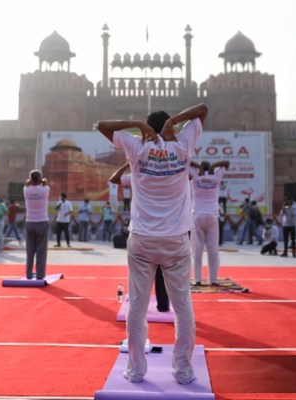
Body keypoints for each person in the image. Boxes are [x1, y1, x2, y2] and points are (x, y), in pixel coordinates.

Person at [96, 102, 207, 385]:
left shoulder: (137, 147)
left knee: (137, 306)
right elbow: (203, 109)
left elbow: (102, 125)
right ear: (169, 126)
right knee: (183, 308)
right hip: (176, 241)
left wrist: (137, 125)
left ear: (148, 128)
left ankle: (136, 371)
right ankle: (182, 371)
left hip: (143, 240)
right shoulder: (183, 143)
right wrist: (176, 122)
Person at [109, 162, 170, 313]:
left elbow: (114, 179)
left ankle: (139, 309)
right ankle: (163, 305)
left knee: (140, 275)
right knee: (162, 272)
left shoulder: (137, 175)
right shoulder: (169, 175)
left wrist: (127, 164)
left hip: (143, 231)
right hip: (164, 230)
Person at [189, 160, 229, 286]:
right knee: (213, 249)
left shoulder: (195, 176)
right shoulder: (215, 177)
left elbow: (186, 162)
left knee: (197, 250)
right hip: (212, 215)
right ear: (210, 168)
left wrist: (198, 167)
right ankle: (213, 280)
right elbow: (226, 163)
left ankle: (198, 280)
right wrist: (214, 166)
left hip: (197, 215)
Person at [23, 170, 49, 279]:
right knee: (41, 251)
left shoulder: (26, 190)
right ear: (39, 179)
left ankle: (29, 274)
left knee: (30, 251)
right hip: (42, 221)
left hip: (30, 221)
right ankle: (40, 275)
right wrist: (43, 181)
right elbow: (45, 183)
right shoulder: (45, 190)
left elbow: (26, 184)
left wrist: (28, 182)